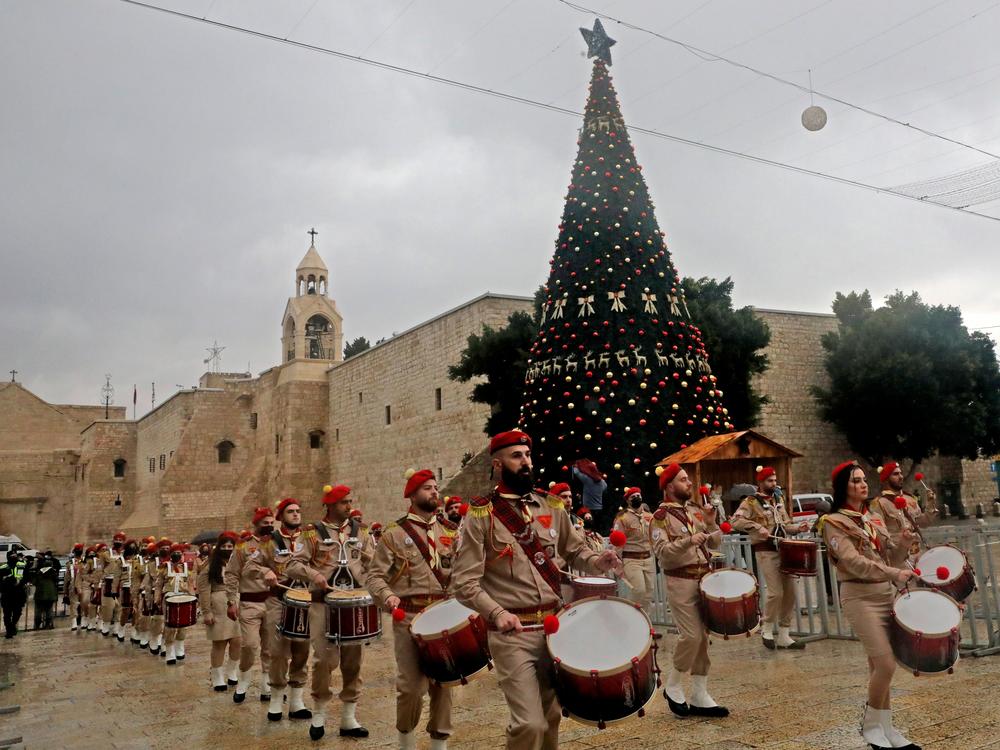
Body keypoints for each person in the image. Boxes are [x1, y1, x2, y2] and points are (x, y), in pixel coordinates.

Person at [451, 430, 622, 750]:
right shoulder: (481, 514)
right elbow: (464, 583)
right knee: (529, 723)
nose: (526, 462)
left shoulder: (552, 505)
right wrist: (496, 613)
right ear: (498, 465)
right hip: (511, 633)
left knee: (552, 715)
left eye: (527, 455)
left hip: (556, 628)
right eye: (516, 456)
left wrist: (600, 561)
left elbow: (575, 552)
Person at [820, 462, 918, 750]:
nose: (863, 485)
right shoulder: (834, 522)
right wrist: (892, 573)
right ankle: (870, 724)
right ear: (842, 488)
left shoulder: (872, 518)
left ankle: (885, 728)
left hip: (883, 594)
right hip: (859, 597)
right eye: (855, 481)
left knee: (881, 665)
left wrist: (903, 543)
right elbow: (852, 562)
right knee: (886, 663)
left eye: (864, 480)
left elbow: (892, 559)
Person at [367, 469, 455, 750]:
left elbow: (461, 573)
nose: (434, 492)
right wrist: (388, 597)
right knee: (411, 688)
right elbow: (374, 577)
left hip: (442, 616)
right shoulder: (394, 534)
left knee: (444, 685)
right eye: (428, 488)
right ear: (413, 494)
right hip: (409, 617)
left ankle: (439, 744)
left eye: (436, 487)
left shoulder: (449, 531)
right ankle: (406, 741)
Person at [286, 484, 374, 741]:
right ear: (331, 505)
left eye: (350, 501)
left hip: (354, 604)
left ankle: (349, 719)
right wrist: (314, 574)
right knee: (324, 660)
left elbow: (374, 563)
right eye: (344, 502)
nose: (349, 506)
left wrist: (372, 565)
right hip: (322, 604)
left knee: (353, 662)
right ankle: (320, 713)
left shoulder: (362, 531)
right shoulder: (312, 534)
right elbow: (293, 565)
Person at [650, 462, 728, 718]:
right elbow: (662, 554)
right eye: (684, 480)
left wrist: (710, 523)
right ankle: (672, 685)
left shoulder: (694, 511)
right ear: (669, 485)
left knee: (703, 639)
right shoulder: (660, 518)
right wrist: (687, 541)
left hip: (703, 580)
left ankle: (699, 693)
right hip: (680, 581)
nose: (690, 483)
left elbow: (714, 541)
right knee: (692, 636)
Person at [245, 498, 314, 721]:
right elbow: (250, 566)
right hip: (278, 600)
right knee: (278, 651)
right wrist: (265, 571)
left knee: (302, 650)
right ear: (281, 516)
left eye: (298, 511)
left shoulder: (311, 539)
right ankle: (276, 697)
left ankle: (296, 701)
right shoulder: (268, 542)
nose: (296, 514)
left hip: (305, 600)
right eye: (291, 512)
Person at [730, 467, 809, 650]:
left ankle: (784, 634)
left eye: (774, 480)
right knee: (776, 592)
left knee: (790, 592)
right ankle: (766, 628)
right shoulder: (750, 502)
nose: (773, 484)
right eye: (769, 481)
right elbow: (735, 521)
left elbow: (786, 524)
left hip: (784, 549)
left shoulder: (778, 500)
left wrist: (798, 528)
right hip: (765, 551)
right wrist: (757, 528)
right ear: (761, 482)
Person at [225, 507, 276, 704]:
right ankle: (244, 679)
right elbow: (231, 574)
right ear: (256, 524)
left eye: (272, 523)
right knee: (250, 644)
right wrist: (231, 601)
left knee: (270, 648)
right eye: (266, 523)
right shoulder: (242, 547)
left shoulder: (278, 544)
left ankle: (267, 685)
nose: (270, 526)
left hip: (272, 602)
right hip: (250, 603)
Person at [198, 531, 242, 691]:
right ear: (218, 548)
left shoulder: (238, 563)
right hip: (217, 605)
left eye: (231, 546)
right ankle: (217, 675)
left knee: (237, 641)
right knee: (220, 643)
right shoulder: (210, 566)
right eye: (224, 546)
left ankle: (232, 671)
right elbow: (203, 590)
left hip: (236, 604)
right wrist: (206, 611)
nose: (228, 549)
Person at [870, 461, 931, 567]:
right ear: (886, 479)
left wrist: (931, 504)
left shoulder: (910, 498)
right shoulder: (879, 503)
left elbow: (923, 523)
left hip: (918, 555)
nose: (901, 476)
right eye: (895, 474)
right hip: (899, 559)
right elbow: (878, 535)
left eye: (900, 473)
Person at [614, 487, 655, 612]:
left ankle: (646, 623)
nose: (637, 498)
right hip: (631, 559)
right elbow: (618, 542)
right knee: (638, 590)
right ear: (628, 501)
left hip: (648, 558)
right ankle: (629, 614)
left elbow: (655, 536)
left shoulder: (650, 516)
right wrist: (617, 562)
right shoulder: (622, 518)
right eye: (633, 497)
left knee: (649, 592)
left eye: (638, 495)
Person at [156, 542, 194, 665]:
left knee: (183, 625)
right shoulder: (164, 567)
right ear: (170, 554)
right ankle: (169, 650)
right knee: (170, 626)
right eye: (174, 552)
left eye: (179, 552)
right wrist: (157, 598)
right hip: (169, 597)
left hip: (183, 597)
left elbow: (190, 584)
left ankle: (180, 646)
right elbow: (158, 585)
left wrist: (193, 598)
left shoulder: (186, 568)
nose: (177, 554)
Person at [571, 458, 608, 533]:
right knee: (596, 528)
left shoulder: (587, 480)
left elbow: (577, 473)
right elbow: (604, 489)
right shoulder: (602, 482)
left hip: (587, 510)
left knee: (586, 527)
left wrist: (575, 466)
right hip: (599, 509)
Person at [0, 551, 29, 638]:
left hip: (18, 592)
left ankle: (12, 626)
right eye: (12, 556)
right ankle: (9, 630)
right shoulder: (3, 567)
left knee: (17, 612)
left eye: (15, 555)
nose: (14, 557)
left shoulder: (22, 565)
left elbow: (27, 576)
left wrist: (21, 582)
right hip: (7, 593)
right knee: (7, 614)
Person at [32, 551, 61, 629]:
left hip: (39, 594)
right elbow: (57, 580)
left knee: (38, 610)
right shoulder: (53, 573)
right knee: (49, 609)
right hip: (50, 594)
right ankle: (48, 624)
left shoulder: (39, 572)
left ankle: (37, 625)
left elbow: (34, 582)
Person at [64, 543, 86, 631]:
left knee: (84, 603)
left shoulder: (86, 561)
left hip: (84, 584)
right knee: (74, 604)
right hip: (73, 585)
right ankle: (74, 622)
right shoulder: (70, 563)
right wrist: (65, 589)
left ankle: (84, 620)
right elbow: (67, 578)